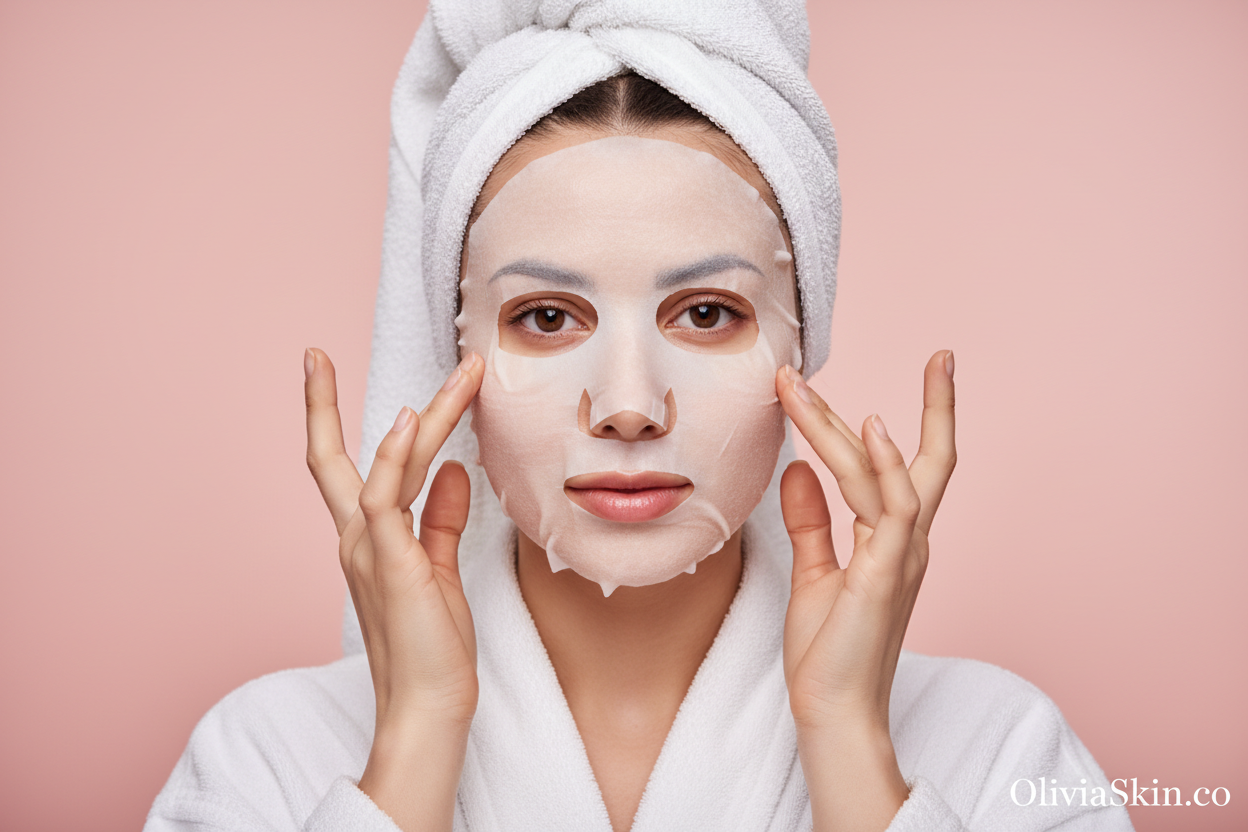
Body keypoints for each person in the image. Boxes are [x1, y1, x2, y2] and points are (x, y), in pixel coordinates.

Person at [146, 3, 1134, 831]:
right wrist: (413, 742)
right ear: (457, 362)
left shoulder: (997, 749)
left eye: (707, 313)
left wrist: (851, 748)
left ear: (798, 346)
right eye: (545, 316)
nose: (627, 405)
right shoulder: (271, 759)